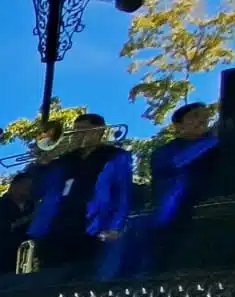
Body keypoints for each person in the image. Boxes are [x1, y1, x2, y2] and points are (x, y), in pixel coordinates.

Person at [28, 113, 133, 276]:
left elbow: (122, 193)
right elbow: (39, 190)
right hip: (56, 227)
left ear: (100, 132)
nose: (78, 135)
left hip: (91, 225)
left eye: (84, 130)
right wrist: (42, 164)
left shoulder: (115, 156)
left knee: (83, 276)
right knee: (50, 276)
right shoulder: (65, 160)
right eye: (75, 131)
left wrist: (115, 226)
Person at [149, 101, 220, 272]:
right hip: (173, 220)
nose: (202, 120)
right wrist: (213, 140)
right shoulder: (165, 151)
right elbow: (177, 162)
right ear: (178, 126)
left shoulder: (219, 148)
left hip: (213, 218)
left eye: (205, 116)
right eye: (195, 116)